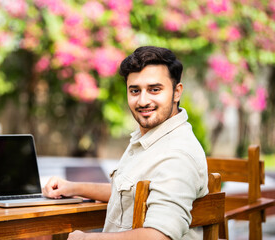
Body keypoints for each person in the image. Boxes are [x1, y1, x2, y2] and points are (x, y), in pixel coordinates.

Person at [43, 46, 208, 240]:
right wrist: (71, 187)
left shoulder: (176, 154)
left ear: (177, 91)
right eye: (135, 91)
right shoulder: (153, 138)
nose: (143, 100)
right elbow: (126, 192)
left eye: (155, 89)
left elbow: (159, 236)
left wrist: (86, 239)